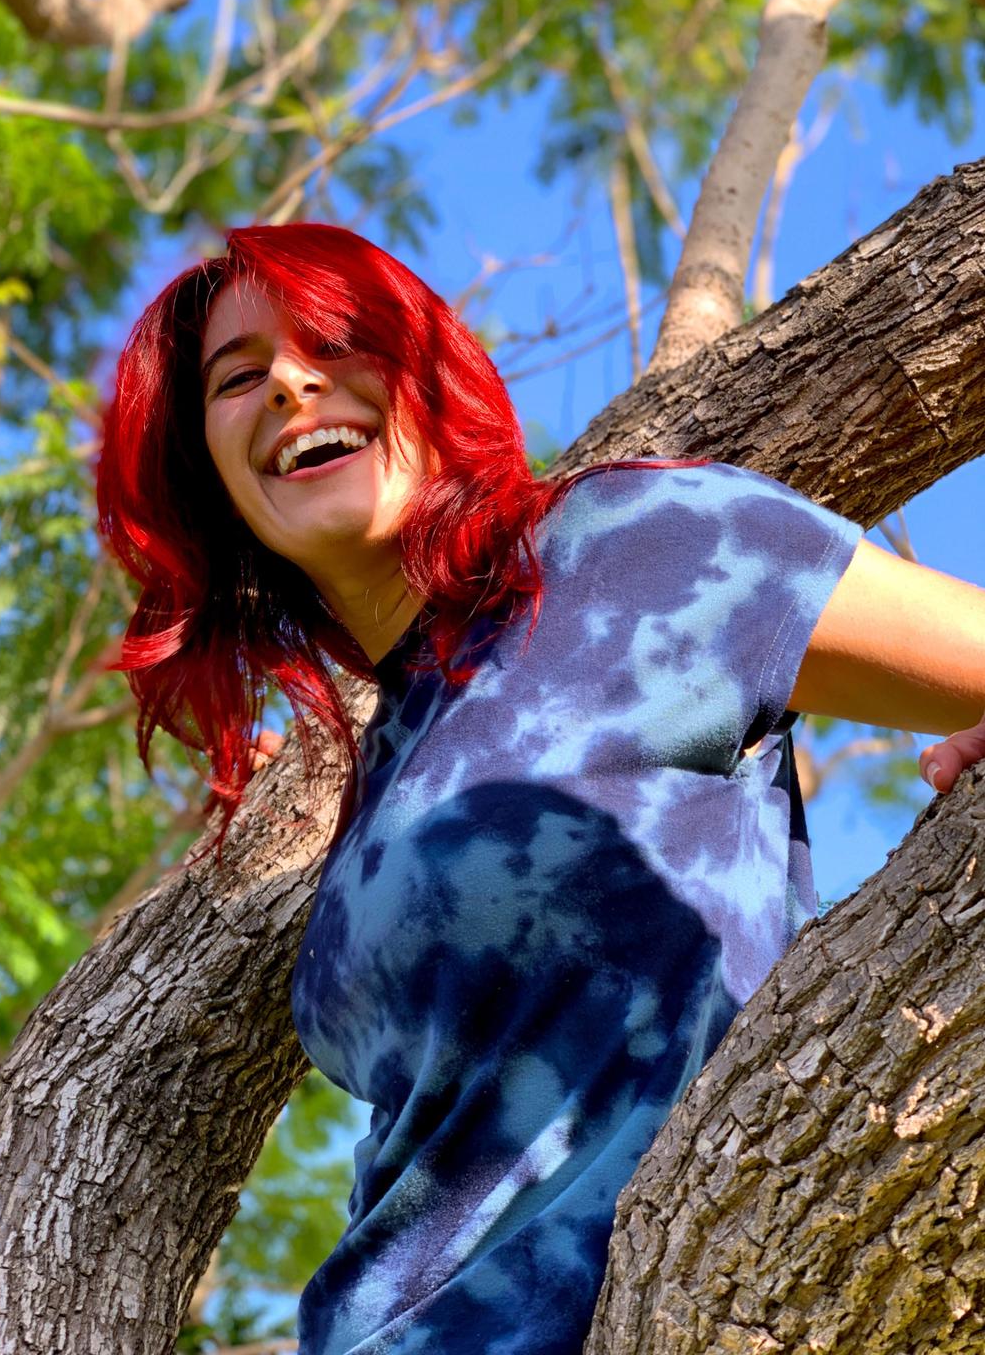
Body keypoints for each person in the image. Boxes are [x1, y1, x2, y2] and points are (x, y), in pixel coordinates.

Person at [95, 222, 985, 1355]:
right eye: (237, 378)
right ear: (211, 482)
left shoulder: (633, 544)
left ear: (428, 375)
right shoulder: (379, 766)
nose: (288, 382)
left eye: (333, 339)